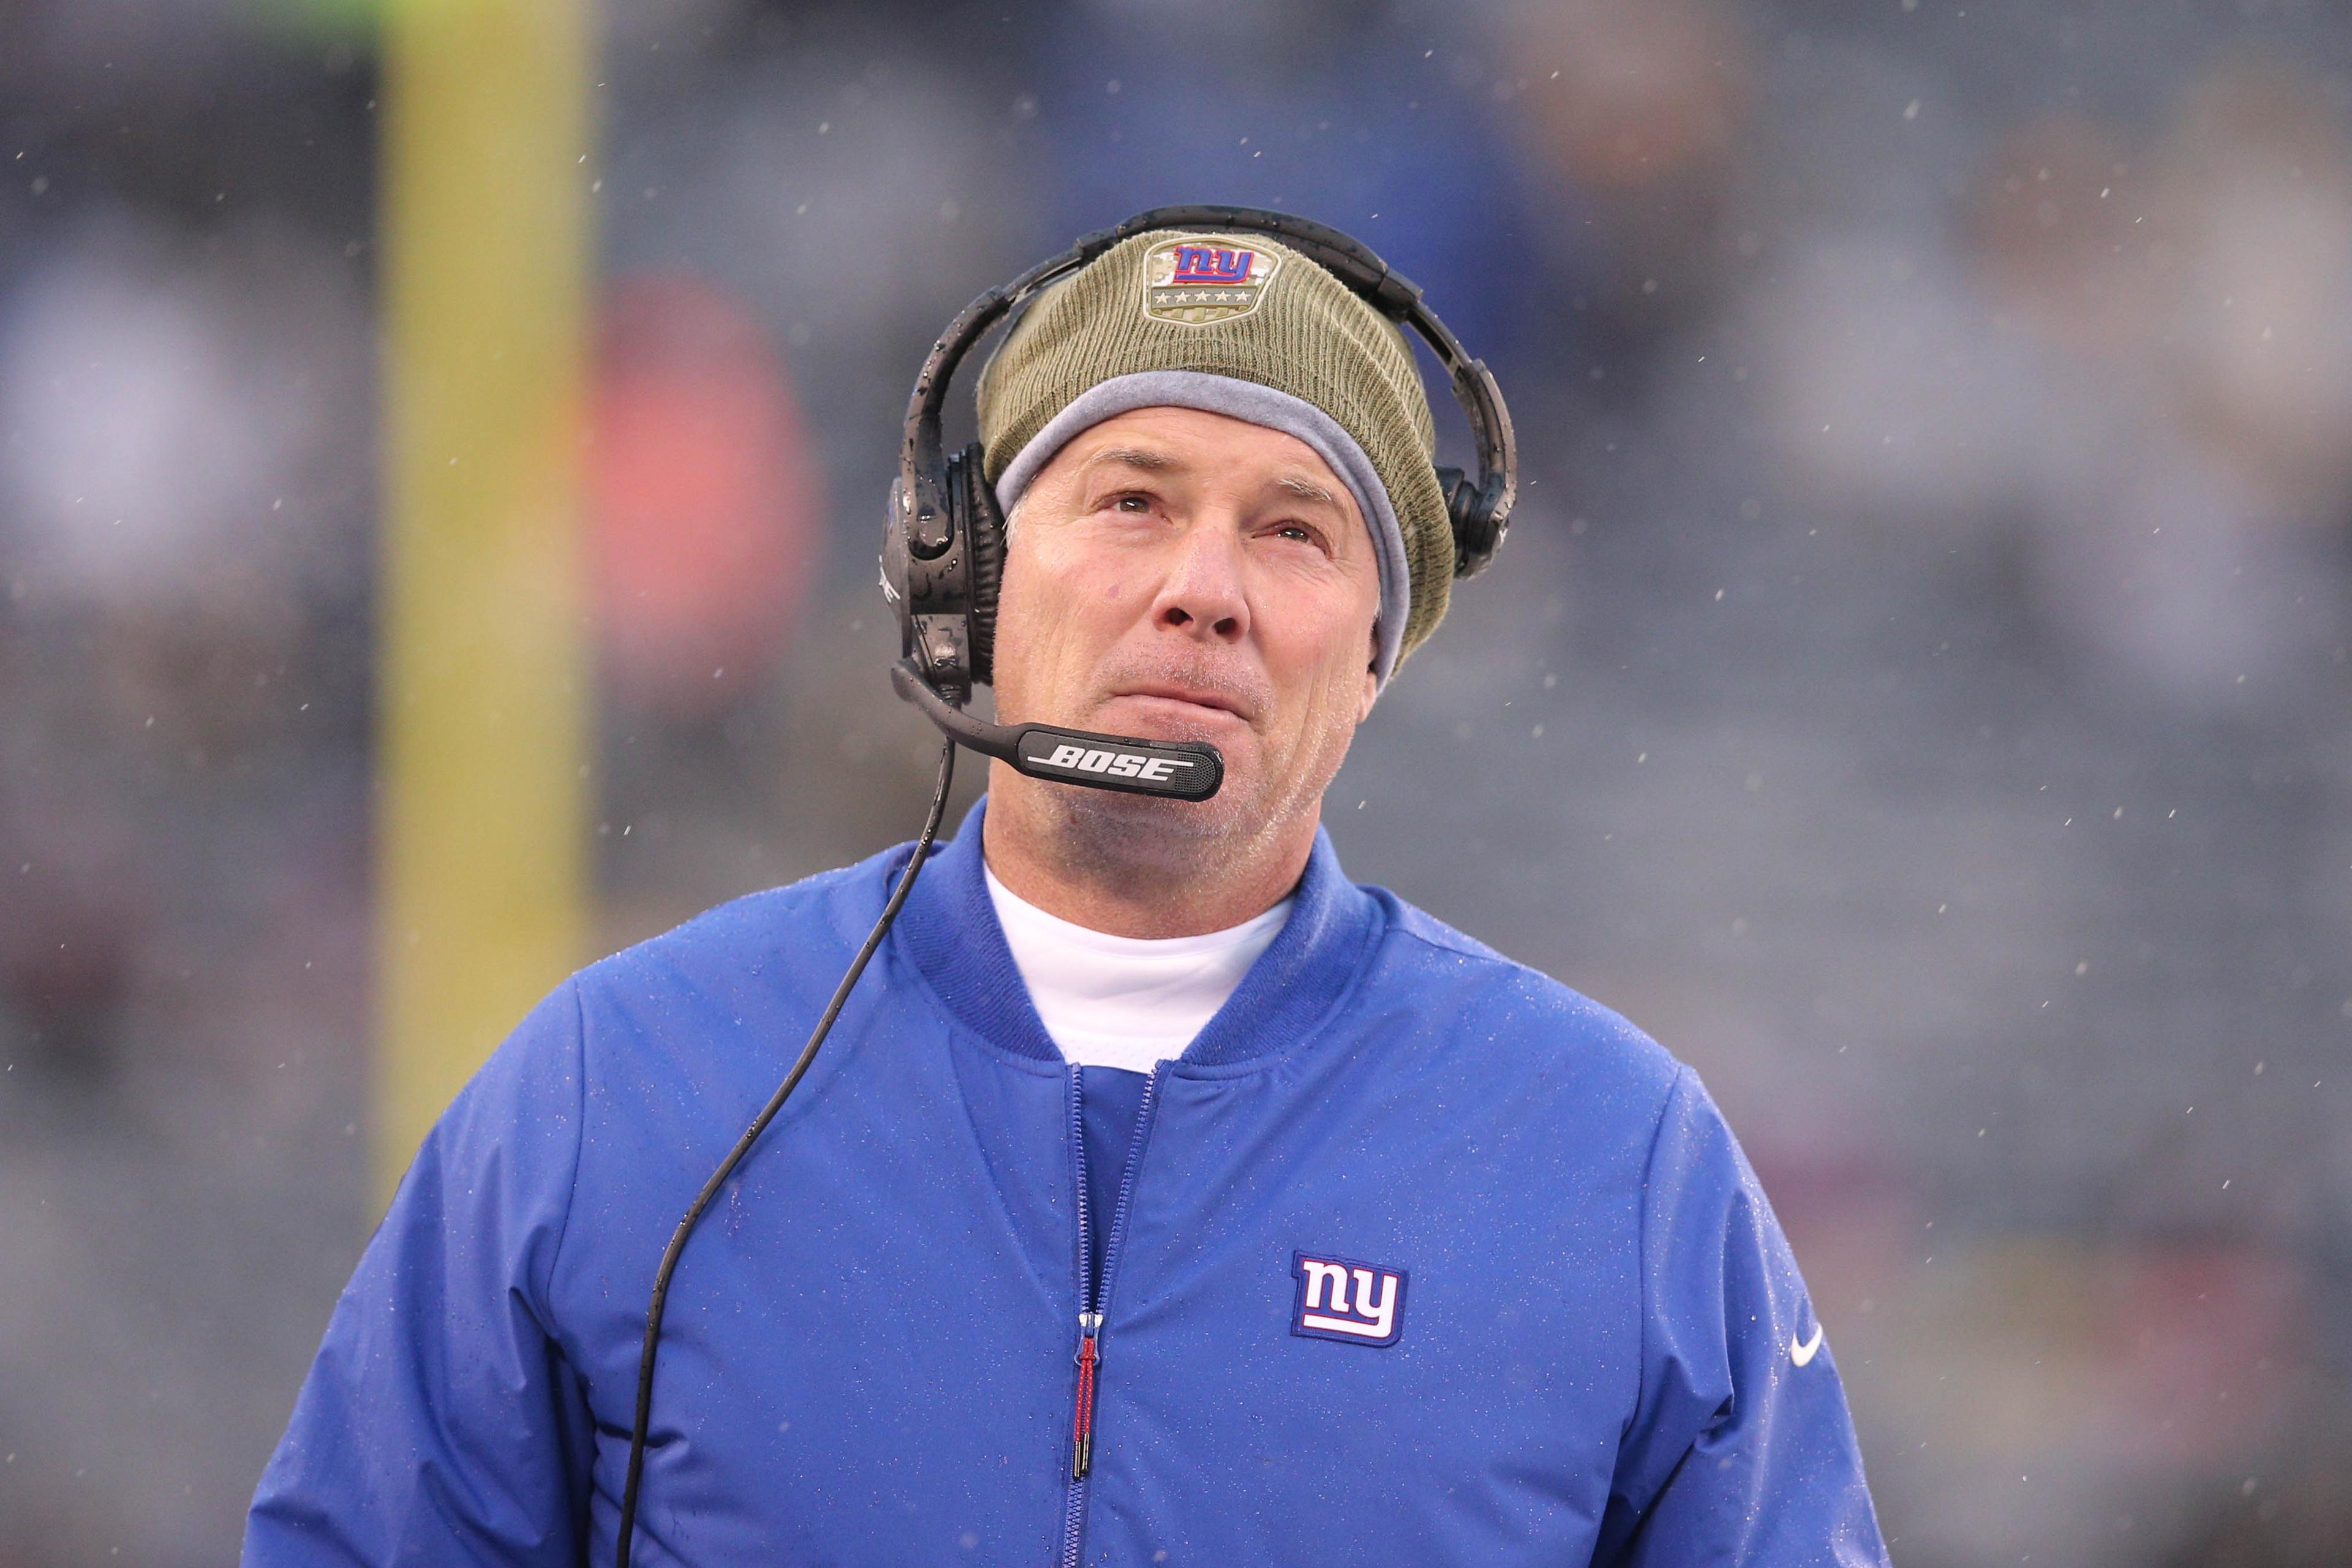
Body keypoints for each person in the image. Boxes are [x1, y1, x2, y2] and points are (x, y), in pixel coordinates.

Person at [246, 223, 1890, 1566]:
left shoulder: (1610, 1162)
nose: (1202, 591)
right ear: (967, 580)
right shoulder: (622, 1088)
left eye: (1298, 533)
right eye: (1132, 501)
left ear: (1380, 654)